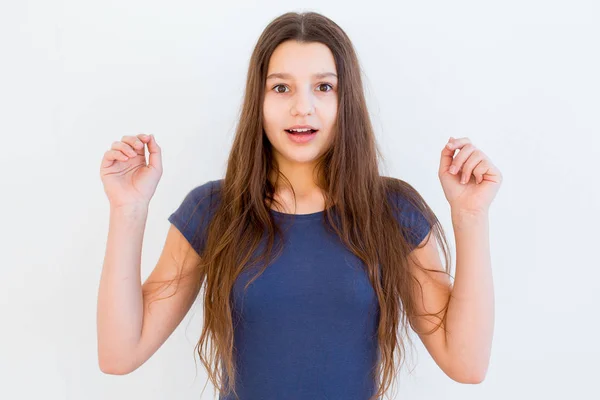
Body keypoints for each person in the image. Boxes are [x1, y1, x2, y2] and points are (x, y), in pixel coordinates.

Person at [97, 11, 502, 400]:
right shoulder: (214, 210)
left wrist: (470, 217)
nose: (302, 107)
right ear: (258, 99)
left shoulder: (392, 211)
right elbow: (120, 354)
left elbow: (466, 364)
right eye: (281, 87)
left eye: (323, 87)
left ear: (347, 101)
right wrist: (127, 210)